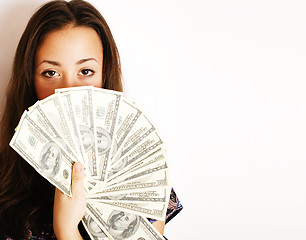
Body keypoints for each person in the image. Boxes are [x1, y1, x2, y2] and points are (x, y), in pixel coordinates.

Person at [0, 0, 182, 239]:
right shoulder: (4, 180)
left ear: (105, 75)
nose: (68, 90)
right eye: (51, 73)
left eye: (85, 71)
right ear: (30, 80)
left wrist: (66, 230)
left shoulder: (143, 177)